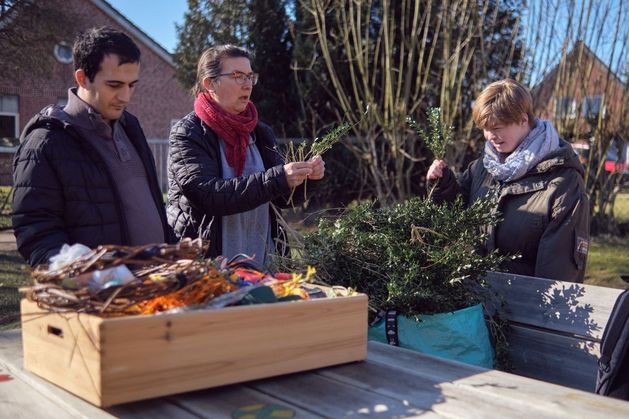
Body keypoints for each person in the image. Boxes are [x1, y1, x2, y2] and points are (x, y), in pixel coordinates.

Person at [12, 27, 171, 267]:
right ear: (82, 78)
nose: (125, 97)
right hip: (103, 298)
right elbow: (36, 234)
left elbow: (152, 210)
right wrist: (85, 275)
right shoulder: (44, 143)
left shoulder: (131, 127)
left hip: (158, 290)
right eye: (115, 85)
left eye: (132, 85)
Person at [167, 45, 325, 265]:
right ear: (210, 83)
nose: (248, 84)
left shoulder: (260, 132)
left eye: (250, 76)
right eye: (237, 76)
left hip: (264, 262)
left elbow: (280, 198)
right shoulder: (189, 133)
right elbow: (207, 195)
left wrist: (307, 179)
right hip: (208, 265)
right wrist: (278, 178)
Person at [426, 79, 589, 282]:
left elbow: (559, 270)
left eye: (497, 128)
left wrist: (537, 312)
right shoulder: (483, 168)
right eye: (485, 128)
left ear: (522, 119)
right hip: (476, 303)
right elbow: (453, 214)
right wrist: (442, 185)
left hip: (524, 308)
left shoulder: (563, 181)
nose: (490, 136)